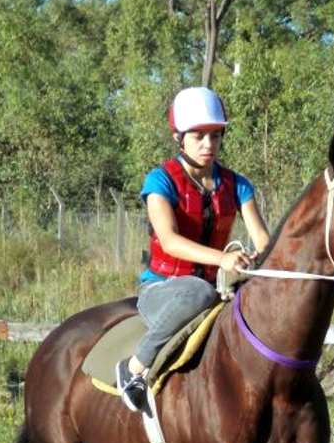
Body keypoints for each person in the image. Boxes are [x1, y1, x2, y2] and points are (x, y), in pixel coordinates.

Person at [115, 86, 271, 412]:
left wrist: (259, 261)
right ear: (178, 137)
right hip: (163, 289)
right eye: (198, 135)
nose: (208, 144)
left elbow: (262, 238)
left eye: (215, 136)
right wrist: (224, 259)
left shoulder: (239, 185)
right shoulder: (159, 181)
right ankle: (133, 369)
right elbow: (170, 240)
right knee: (198, 292)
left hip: (219, 288)